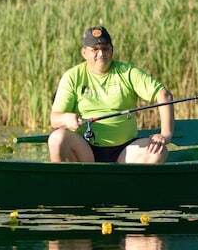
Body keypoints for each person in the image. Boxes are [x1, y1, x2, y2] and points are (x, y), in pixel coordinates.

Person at [48, 26, 174, 163]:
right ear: (84, 52)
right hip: (86, 150)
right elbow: (54, 119)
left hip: (125, 150)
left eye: (105, 48)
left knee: (158, 152)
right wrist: (66, 119)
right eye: (95, 49)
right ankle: (66, 181)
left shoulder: (127, 72)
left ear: (112, 50)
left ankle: (127, 182)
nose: (101, 54)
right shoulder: (72, 76)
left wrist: (165, 134)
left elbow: (164, 95)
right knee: (56, 139)